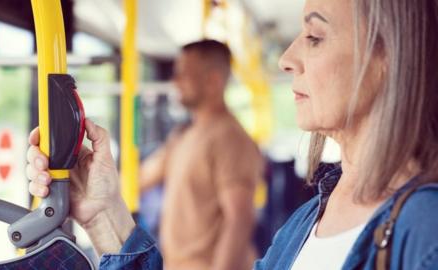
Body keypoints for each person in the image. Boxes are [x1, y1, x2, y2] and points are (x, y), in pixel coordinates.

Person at [27, 0, 438, 269]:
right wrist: (103, 211)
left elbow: (238, 218)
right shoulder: (308, 220)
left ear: (388, 59)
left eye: (314, 37)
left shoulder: (425, 229)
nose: (287, 59)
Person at [27, 40, 263, 270]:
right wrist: (76, 173)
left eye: (184, 74)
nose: (175, 81)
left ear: (213, 80)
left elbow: (239, 221)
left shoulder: (231, 139)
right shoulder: (183, 136)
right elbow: (138, 180)